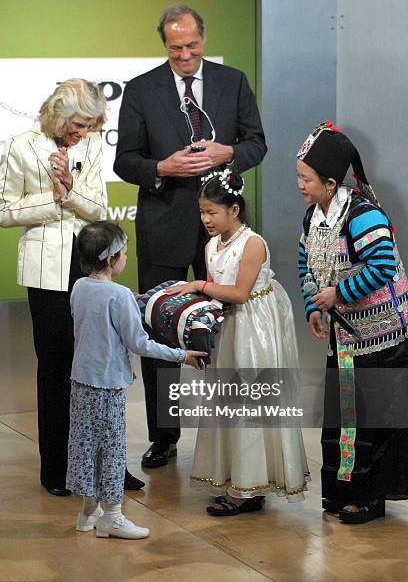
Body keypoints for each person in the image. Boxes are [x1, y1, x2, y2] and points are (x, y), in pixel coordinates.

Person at [114, 4, 267, 468]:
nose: (183, 54)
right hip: (162, 226)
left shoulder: (233, 81)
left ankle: (230, 431)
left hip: (224, 230)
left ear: (204, 38)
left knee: (230, 326)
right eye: (174, 47)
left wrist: (229, 152)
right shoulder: (141, 90)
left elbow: (257, 143)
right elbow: (125, 160)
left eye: (191, 45)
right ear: (164, 44)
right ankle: (165, 436)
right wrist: (161, 167)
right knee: (159, 325)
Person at [165, 168, 309, 515]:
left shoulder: (252, 243)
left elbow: (240, 293)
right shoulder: (212, 245)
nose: (206, 219)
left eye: (212, 212)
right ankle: (238, 477)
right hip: (228, 327)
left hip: (252, 329)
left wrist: (198, 286)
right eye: (202, 212)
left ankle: (249, 488)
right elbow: (219, 294)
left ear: (234, 209)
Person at [0, 79, 109, 496]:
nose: (83, 133)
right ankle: (57, 469)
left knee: (98, 365)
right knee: (55, 367)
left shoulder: (94, 146)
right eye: (79, 124)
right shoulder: (21, 145)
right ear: (59, 114)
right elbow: (5, 210)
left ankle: (104, 460)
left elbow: (98, 208)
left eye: (90, 125)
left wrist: (72, 191)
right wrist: (53, 198)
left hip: (89, 267)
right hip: (46, 273)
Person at [297, 121, 408, 523]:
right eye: (298, 177)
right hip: (344, 337)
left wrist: (338, 295)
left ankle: (369, 499)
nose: (300, 185)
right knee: (344, 418)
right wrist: (313, 305)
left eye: (306, 178)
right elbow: (305, 264)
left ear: (329, 181)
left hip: (382, 336)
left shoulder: (363, 215)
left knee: (373, 421)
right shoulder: (314, 217)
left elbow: (382, 264)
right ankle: (343, 493)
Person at [67, 220, 206, 539]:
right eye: (124, 253)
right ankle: (112, 517)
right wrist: (181, 355)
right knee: (112, 449)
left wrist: (130, 299)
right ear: (111, 258)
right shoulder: (119, 297)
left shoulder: (79, 287)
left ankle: (88, 512)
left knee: (87, 447)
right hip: (109, 385)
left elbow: (96, 313)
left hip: (81, 382)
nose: (127, 258)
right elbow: (139, 343)